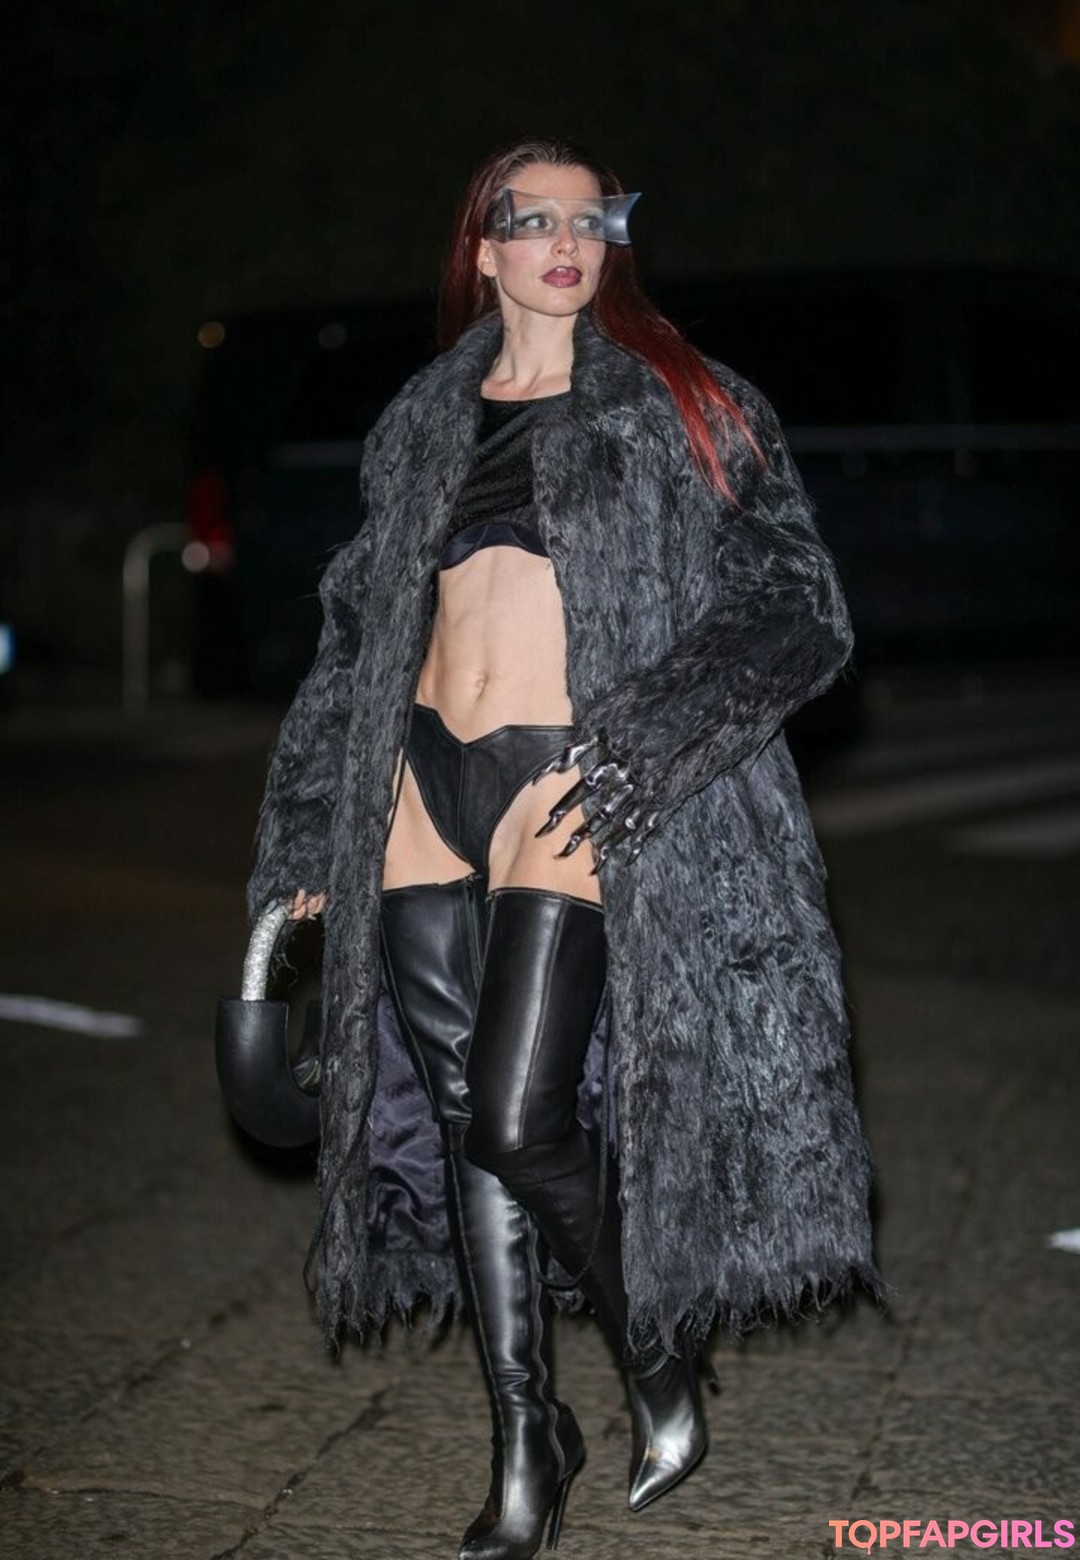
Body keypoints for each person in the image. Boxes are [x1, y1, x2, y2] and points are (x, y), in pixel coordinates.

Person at [247, 136, 880, 1560]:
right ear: (484, 251)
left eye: (592, 220)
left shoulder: (684, 399)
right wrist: (305, 824)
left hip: (570, 775)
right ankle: (528, 1437)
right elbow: (354, 633)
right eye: (533, 220)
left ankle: (654, 1350)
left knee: (520, 1119)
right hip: (419, 778)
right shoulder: (421, 418)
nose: (567, 242)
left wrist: (653, 734)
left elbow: (801, 609)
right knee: (460, 1117)